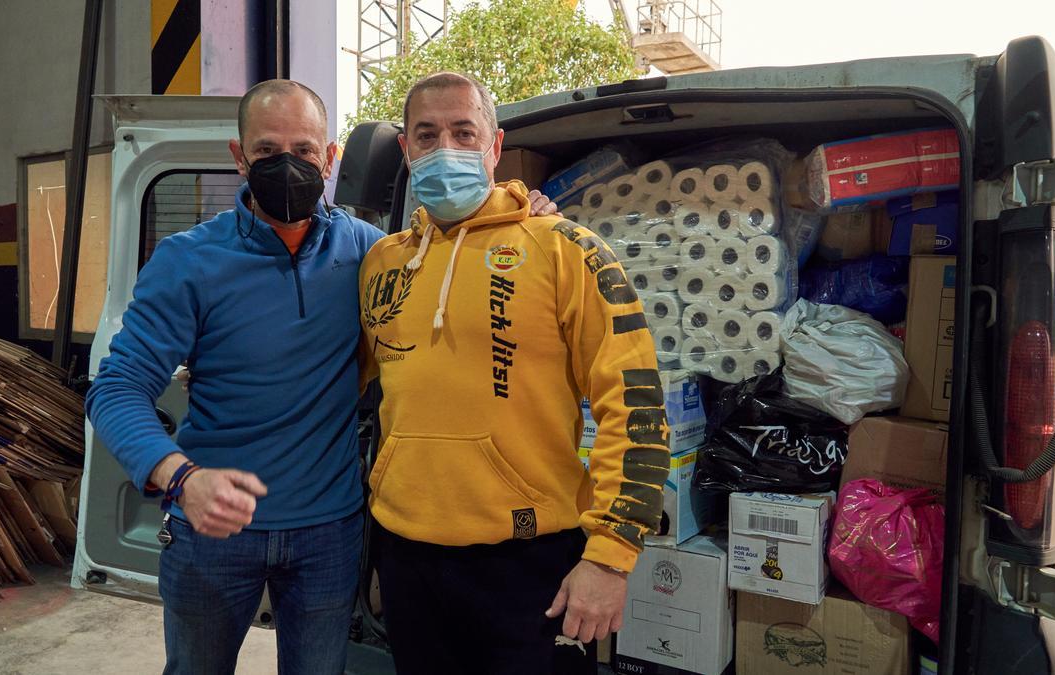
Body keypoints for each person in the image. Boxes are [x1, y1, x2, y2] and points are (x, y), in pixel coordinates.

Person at [86, 78, 561, 675]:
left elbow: (452, 261)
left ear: (330, 157)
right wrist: (178, 476)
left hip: (328, 534)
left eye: (306, 150)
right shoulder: (187, 262)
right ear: (239, 158)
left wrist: (527, 214)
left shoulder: (371, 253)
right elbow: (116, 387)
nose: (288, 165)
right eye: (266, 151)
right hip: (212, 532)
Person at [358, 71, 671, 675]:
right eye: (427, 134)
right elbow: (344, 381)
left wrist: (609, 557)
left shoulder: (565, 250)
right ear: (406, 149)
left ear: (494, 147)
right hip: (406, 558)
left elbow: (633, 404)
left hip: (529, 563)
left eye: (463, 132)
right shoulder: (381, 263)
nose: (444, 148)